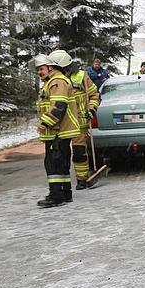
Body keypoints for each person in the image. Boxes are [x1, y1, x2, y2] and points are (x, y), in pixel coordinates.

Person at [34, 53, 82, 207]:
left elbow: (59, 107)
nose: (39, 72)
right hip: (58, 130)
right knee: (60, 162)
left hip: (58, 130)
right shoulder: (53, 81)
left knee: (53, 163)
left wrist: (45, 123)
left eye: (41, 69)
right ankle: (64, 193)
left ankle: (56, 195)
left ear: (51, 67)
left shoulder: (57, 82)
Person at [53, 50, 101, 190]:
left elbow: (94, 95)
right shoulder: (54, 79)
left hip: (79, 121)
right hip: (61, 122)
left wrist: (91, 110)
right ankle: (63, 181)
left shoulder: (81, 76)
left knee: (79, 151)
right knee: (60, 153)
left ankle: (82, 179)